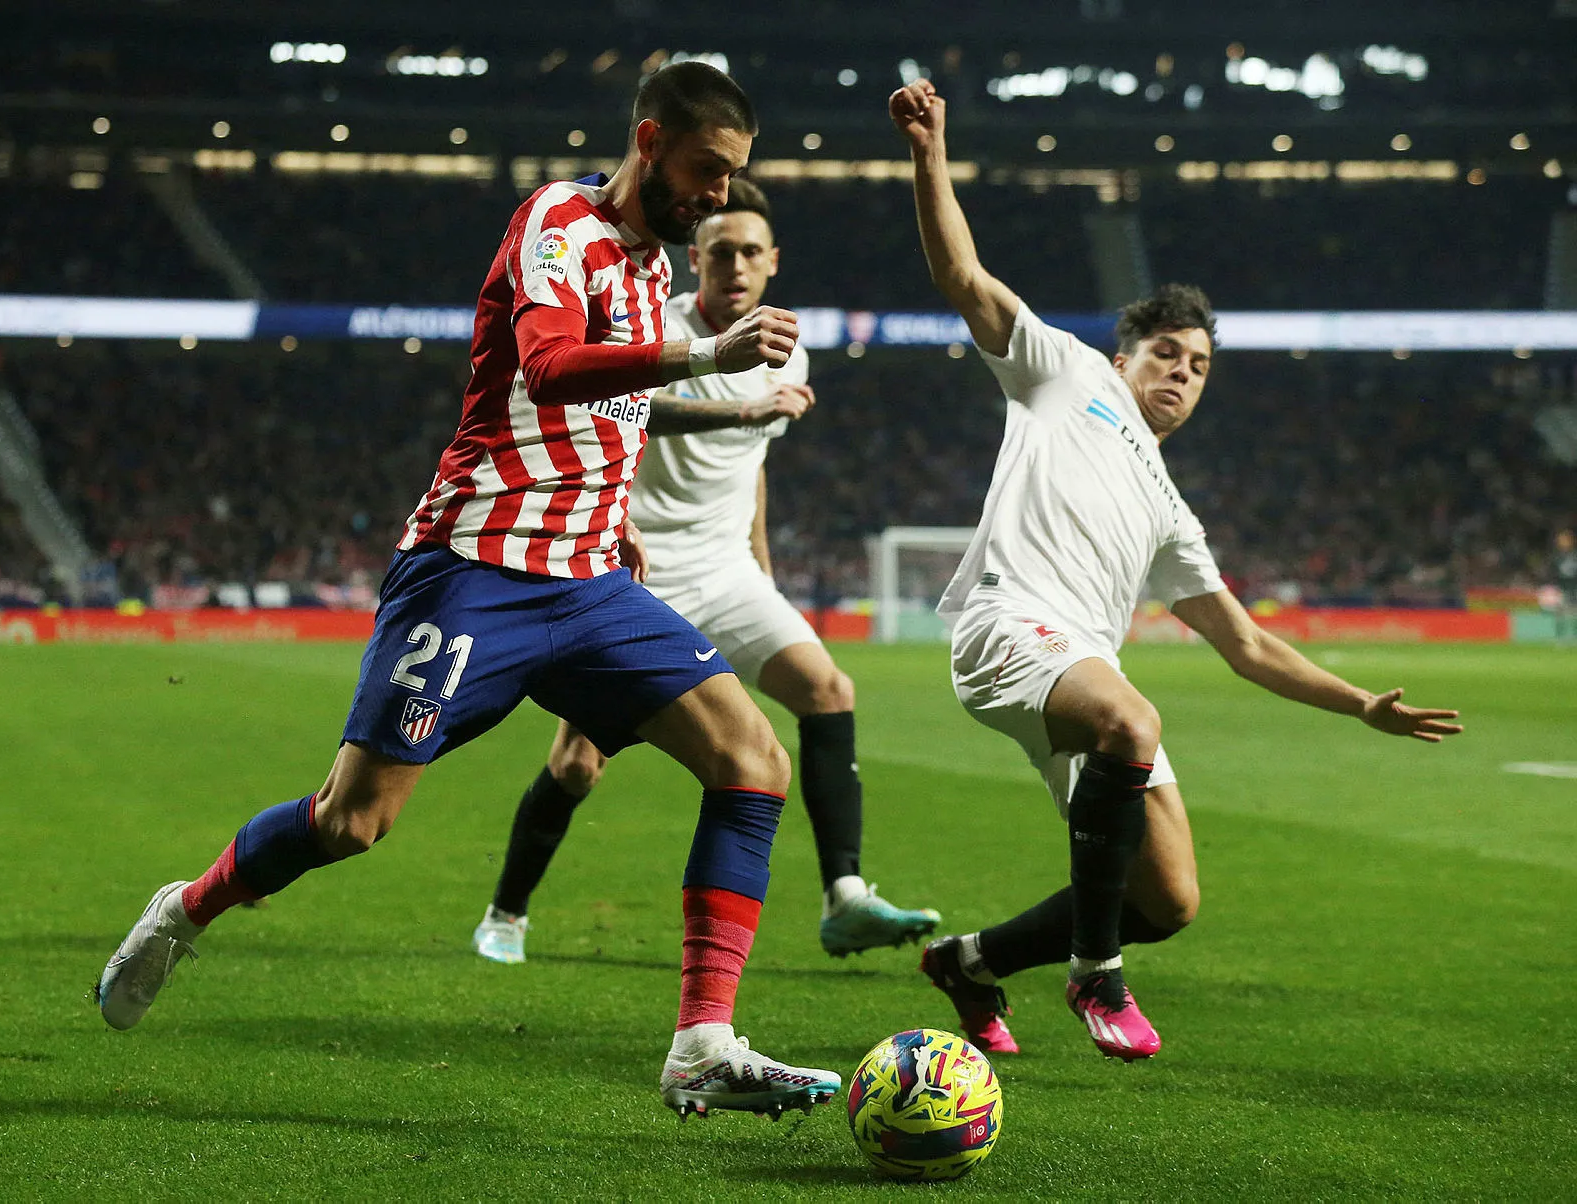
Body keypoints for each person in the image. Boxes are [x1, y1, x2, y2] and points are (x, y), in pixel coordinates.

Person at [96, 61, 842, 1122]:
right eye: (708, 171)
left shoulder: (642, 270)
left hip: (588, 583)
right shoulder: (558, 220)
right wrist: (703, 355)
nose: (718, 195)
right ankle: (185, 908)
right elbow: (546, 367)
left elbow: (604, 422)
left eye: (733, 179)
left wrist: (615, 517)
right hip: (475, 573)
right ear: (649, 141)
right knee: (353, 822)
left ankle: (701, 1044)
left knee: (753, 759)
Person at [888, 78, 1463, 1062]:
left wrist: (1361, 702)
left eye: (1198, 366)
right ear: (1126, 352)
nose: (1182, 372)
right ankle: (1093, 971)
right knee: (1132, 719)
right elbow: (964, 277)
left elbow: (1244, 643)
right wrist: (930, 152)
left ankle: (969, 961)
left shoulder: (1166, 506)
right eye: (1167, 351)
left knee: (1171, 896)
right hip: (1008, 626)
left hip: (1076, 666)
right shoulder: (1064, 372)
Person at [472, 178, 941, 968]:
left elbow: (753, 463)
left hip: (728, 572)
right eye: (721, 251)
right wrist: (741, 413)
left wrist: (762, 559)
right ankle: (506, 915)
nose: (736, 265)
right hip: (638, 570)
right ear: (695, 259)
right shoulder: (658, 325)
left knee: (828, 691)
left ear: (773, 263)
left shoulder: (783, 344)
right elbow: (620, 407)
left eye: (751, 252)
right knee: (578, 762)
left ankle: (845, 899)